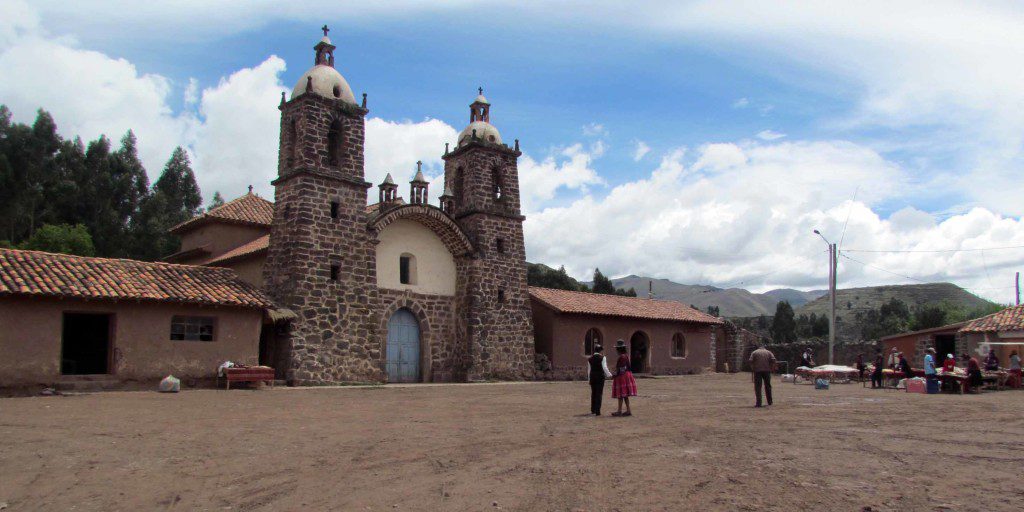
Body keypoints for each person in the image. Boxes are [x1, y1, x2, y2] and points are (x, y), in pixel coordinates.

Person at [611, 340, 637, 417]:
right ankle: (628, 410)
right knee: (625, 395)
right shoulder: (626, 356)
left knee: (621, 394)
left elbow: (622, 368)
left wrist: (615, 375)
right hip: (627, 375)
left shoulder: (622, 357)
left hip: (623, 376)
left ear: (619, 349)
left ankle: (619, 411)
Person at [587, 344, 612, 415]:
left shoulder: (590, 359)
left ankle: (593, 409)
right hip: (600, 377)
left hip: (592, 377)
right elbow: (604, 367)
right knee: (599, 393)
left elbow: (589, 370)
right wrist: (609, 374)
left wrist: (589, 379)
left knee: (593, 393)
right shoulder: (603, 358)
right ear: (600, 350)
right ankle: (598, 411)